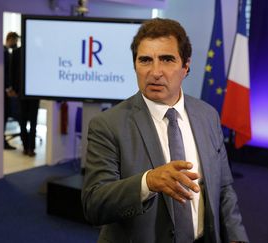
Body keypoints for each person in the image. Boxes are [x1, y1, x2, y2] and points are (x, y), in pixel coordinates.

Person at [81, 18, 249, 243]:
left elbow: (224, 187)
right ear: (135, 66)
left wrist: (236, 237)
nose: (155, 71)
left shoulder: (208, 115)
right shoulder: (107, 125)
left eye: (167, 59)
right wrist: (147, 182)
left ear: (185, 66)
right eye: (145, 60)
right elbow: (94, 205)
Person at [3, 32, 20, 150]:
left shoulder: (6, 52)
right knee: (3, 117)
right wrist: (8, 88)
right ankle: (2, 142)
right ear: (10, 39)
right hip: (4, 92)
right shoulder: (4, 53)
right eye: (15, 41)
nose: (16, 44)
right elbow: (5, 73)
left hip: (5, 91)